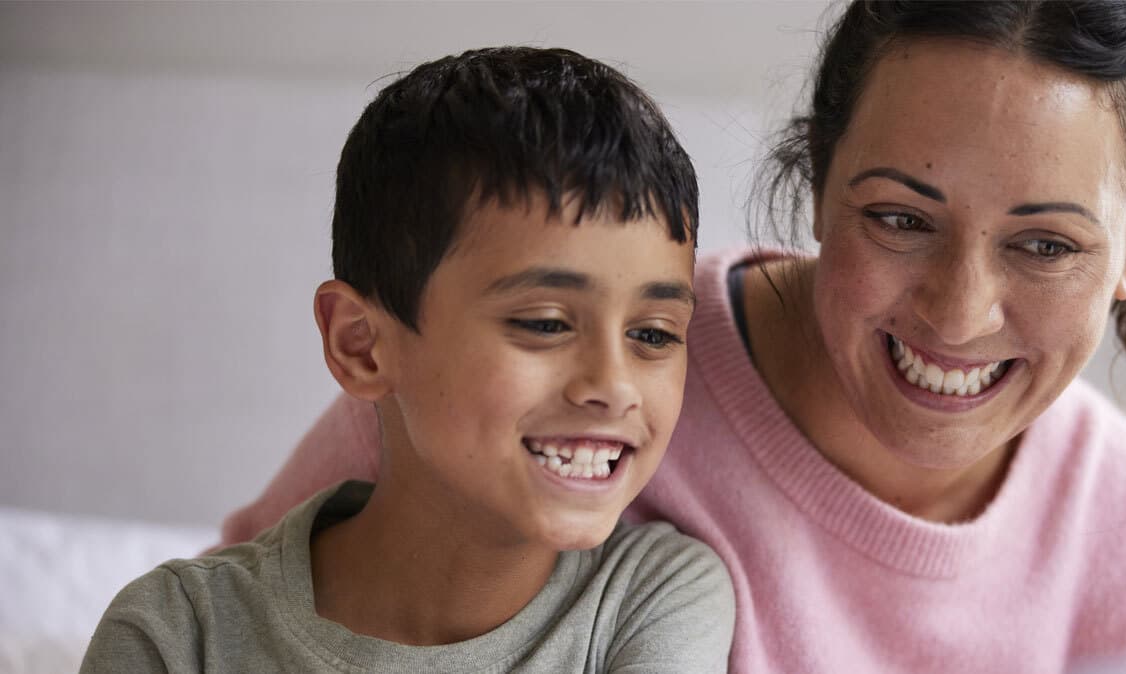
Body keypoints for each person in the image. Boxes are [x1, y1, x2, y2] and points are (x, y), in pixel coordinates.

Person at [221, 2, 1126, 671]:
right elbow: (239, 621)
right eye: (898, 217)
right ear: (817, 185)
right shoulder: (552, 363)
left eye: (1046, 243)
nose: (957, 311)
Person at [82, 46, 734, 672]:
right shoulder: (175, 633)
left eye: (652, 333)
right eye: (545, 323)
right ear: (360, 346)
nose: (613, 386)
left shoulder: (653, 596)